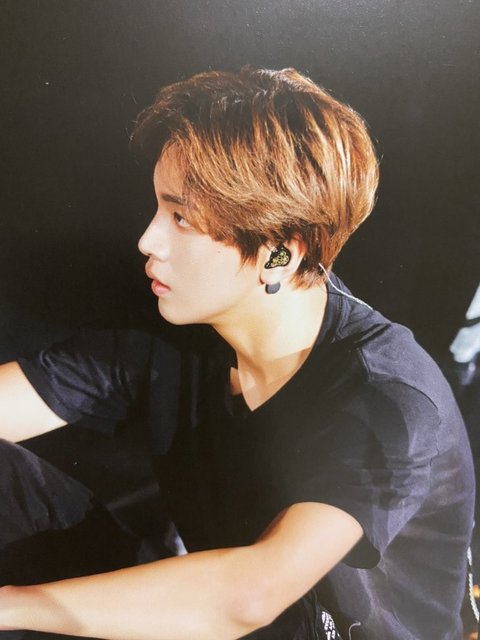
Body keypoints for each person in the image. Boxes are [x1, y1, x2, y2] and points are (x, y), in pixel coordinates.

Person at [0, 67, 475, 640]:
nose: (148, 240)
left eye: (180, 218)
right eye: (158, 209)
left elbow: (251, 595)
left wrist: (10, 607)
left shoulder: (390, 395)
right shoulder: (170, 329)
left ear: (278, 256)